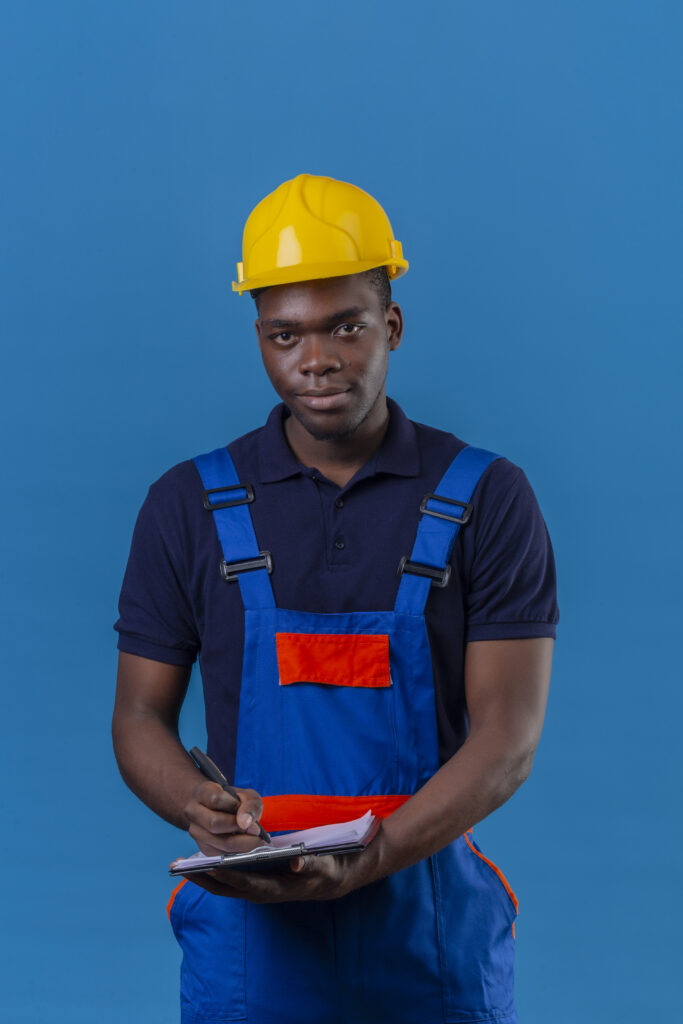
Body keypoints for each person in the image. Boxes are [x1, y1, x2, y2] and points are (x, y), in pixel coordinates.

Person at [112, 173, 558, 1024]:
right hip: (252, 931)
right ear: (259, 340)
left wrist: (375, 853)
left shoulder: (487, 498)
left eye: (345, 327)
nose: (315, 359)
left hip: (426, 926)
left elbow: (507, 738)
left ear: (390, 325)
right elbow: (138, 718)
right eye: (286, 334)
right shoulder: (189, 504)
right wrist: (194, 806)